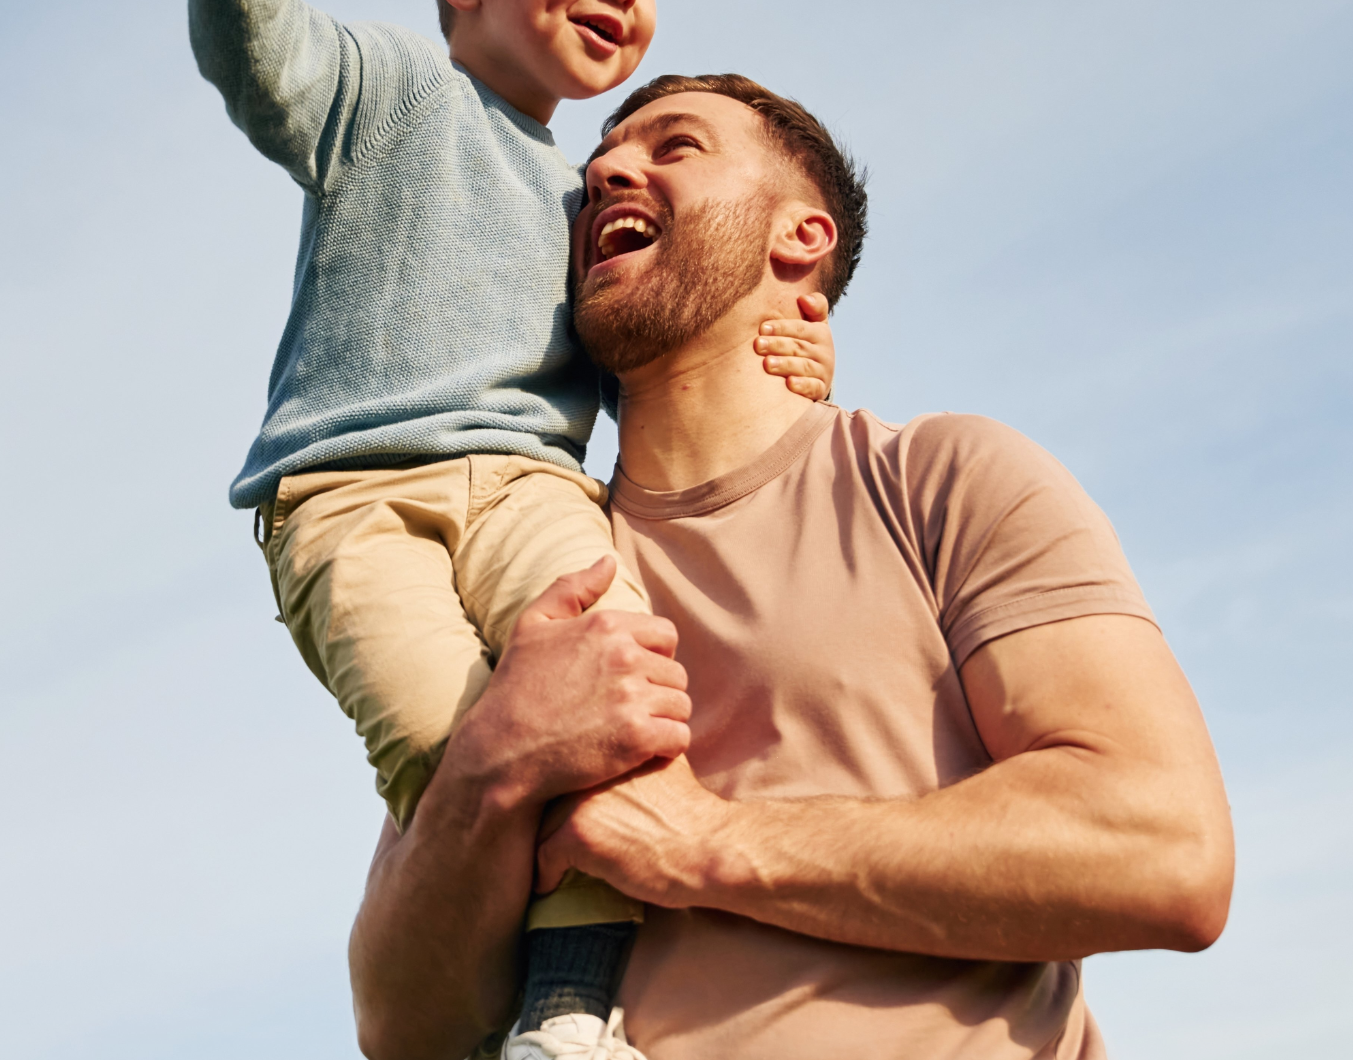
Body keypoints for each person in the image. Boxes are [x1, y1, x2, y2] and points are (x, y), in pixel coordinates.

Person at [176, 0, 833, 1060]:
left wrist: (797, 336)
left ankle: (571, 1010)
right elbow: (257, 53)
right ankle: (475, 998)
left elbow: (665, 346)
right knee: (455, 749)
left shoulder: (598, 189)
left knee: (623, 709)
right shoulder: (391, 87)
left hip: (535, 490)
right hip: (351, 501)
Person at [349, 74, 1235, 1060]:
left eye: (674, 146)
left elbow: (1164, 852)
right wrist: (490, 768)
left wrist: (700, 841)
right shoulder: (517, 559)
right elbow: (399, 1029)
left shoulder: (939, 478)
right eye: (599, 161)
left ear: (798, 239)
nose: (602, 169)